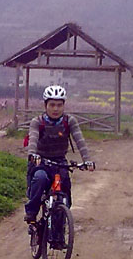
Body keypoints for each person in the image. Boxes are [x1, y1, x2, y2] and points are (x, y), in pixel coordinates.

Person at [24, 84, 95, 223]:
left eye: (59, 105)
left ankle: (60, 224)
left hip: (60, 162)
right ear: (46, 105)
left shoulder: (70, 121)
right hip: (41, 162)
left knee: (65, 191)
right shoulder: (37, 122)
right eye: (52, 105)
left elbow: (80, 141)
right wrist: (33, 154)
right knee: (40, 179)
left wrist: (87, 160)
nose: (55, 109)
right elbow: (33, 139)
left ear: (64, 105)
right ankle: (31, 213)